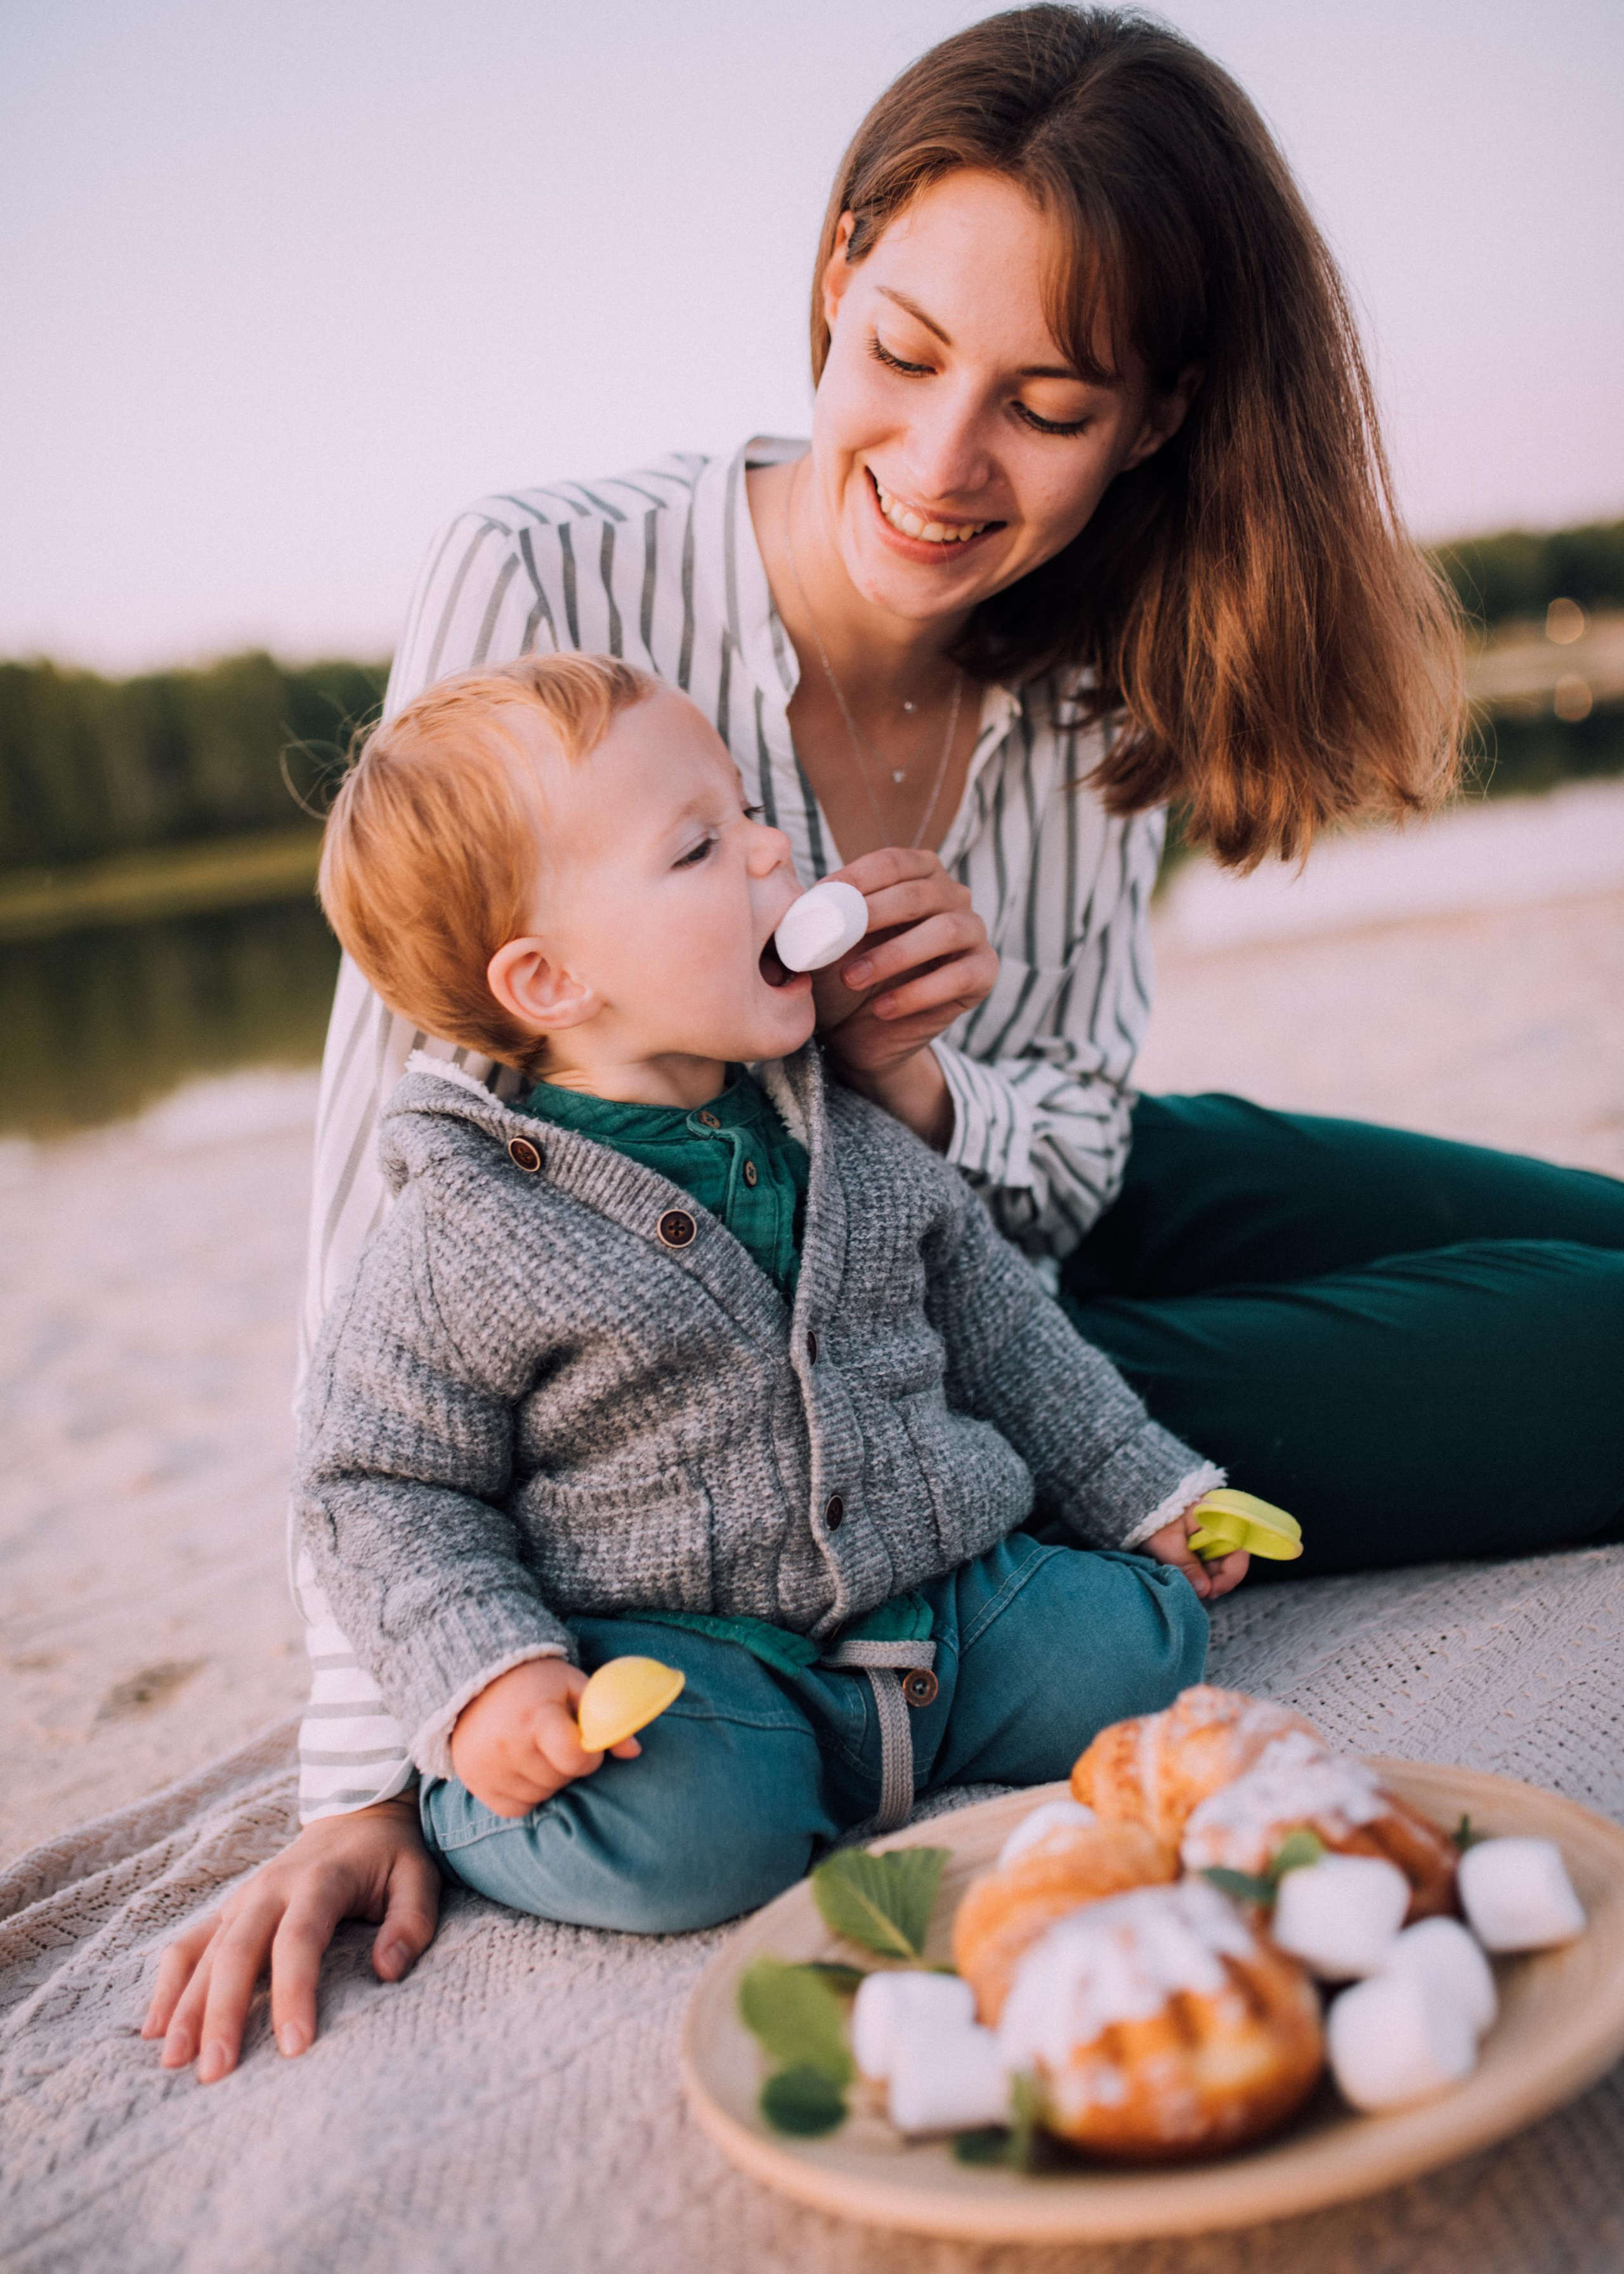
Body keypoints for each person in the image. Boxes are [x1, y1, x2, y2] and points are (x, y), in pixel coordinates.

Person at [146, 4, 1624, 2082]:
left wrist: (917, 1086)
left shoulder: (1104, 680)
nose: (943, 469)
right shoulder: (548, 579)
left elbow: (1078, 1153)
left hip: (989, 1202)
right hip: (797, 1354)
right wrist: (357, 1780)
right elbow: (395, 1206)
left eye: (1045, 404)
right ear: (839, 274)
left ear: (1157, 417)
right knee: (1594, 1348)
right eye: (907, 354)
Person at [287, 650, 1225, 1935]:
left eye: (748, 813)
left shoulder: (840, 1129)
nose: (772, 851)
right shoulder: (467, 1226)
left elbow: (1000, 1328)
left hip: (931, 1602)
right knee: (686, 1835)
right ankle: (489, 1800)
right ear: (551, 982)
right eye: (698, 847)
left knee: (1140, 1653)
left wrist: (1145, 1492)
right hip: (689, 1662)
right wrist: (487, 1676)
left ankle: (888, 1743)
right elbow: (381, 1485)